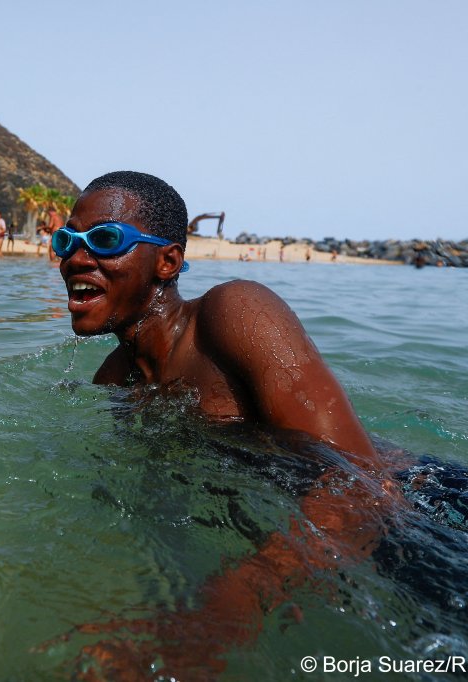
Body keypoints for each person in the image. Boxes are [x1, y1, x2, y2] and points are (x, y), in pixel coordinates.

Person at [53, 170, 398, 676]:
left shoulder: (233, 313)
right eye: (67, 240)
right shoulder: (115, 380)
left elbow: (362, 481)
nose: (76, 258)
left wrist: (226, 607)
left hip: (445, 517)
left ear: (167, 261)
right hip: (318, 539)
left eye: (105, 240)